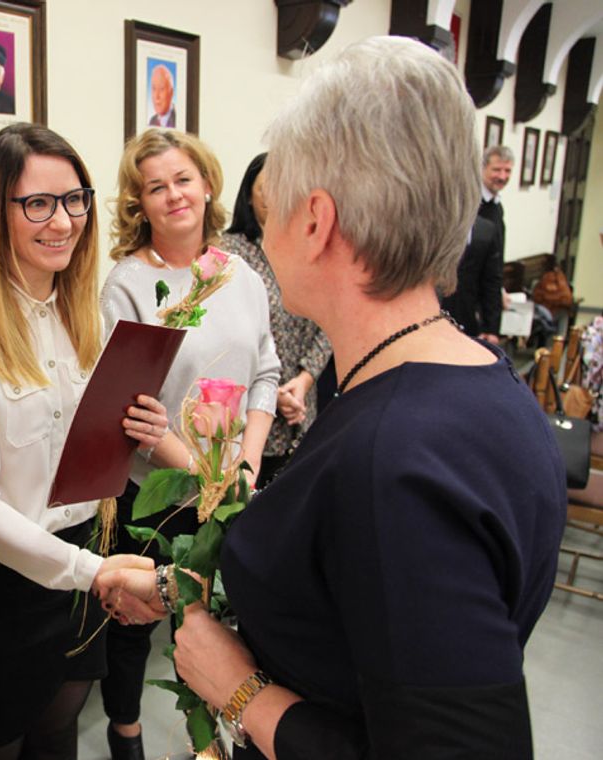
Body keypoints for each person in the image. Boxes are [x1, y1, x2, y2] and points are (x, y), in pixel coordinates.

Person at [99, 37, 565, 759]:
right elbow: (349, 594)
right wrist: (180, 585)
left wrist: (243, 692)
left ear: (314, 221)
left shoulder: (396, 464)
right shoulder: (466, 386)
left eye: (272, 196)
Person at [0, 122, 164, 760]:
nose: (63, 221)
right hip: (4, 588)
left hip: (86, 557)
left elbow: (85, 450)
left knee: (59, 731)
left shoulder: (88, 316)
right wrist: (89, 572)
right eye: (38, 204)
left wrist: (144, 433)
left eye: (75, 198)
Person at [98, 128, 280, 760]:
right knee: (139, 622)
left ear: (207, 185)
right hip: (157, 491)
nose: (173, 195)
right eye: (155, 187)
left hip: (234, 484)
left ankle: (217, 740)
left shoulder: (241, 276)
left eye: (183, 179)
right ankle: (127, 735)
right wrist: (203, 475)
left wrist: (246, 464)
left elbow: (265, 371)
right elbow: (134, 410)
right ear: (139, 204)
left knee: (219, 623)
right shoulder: (128, 285)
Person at [219, 152, 332, 487]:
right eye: (266, 188)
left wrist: (304, 379)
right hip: (250, 406)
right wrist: (271, 390)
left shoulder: (314, 248)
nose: (275, 196)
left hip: (301, 404)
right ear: (248, 195)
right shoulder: (230, 252)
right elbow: (225, 330)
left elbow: (329, 320)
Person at [440, 215, 503, 343]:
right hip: (432, 316)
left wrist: (491, 328)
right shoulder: (429, 223)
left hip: (468, 318)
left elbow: (491, 282)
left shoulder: (485, 230)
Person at [479, 144, 513, 252]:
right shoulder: (471, 205)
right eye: (497, 170)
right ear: (483, 169)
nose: (502, 177)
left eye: (507, 171)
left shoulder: (497, 206)